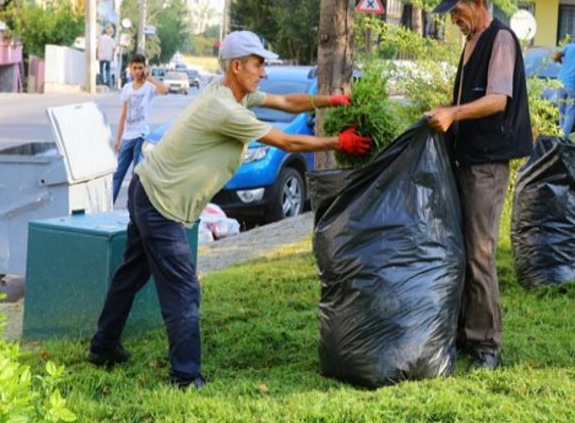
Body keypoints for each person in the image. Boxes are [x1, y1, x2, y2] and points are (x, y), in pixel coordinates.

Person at [87, 30, 371, 389]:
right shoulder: (224, 110)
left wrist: (332, 101)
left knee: (132, 273)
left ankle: (103, 347)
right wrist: (337, 141)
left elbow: (286, 103)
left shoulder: (233, 93)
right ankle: (186, 377)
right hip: (161, 203)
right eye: (257, 65)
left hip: (148, 188)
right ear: (237, 66)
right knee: (183, 290)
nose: (263, 72)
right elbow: (286, 141)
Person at [426, 0, 532, 370]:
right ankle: (466, 335)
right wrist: (444, 110)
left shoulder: (500, 39)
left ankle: (488, 344)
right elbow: (467, 96)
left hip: (488, 163)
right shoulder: (471, 41)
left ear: (477, 3)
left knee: (481, 253)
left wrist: (454, 113)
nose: (454, 20)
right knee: (463, 249)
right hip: (467, 158)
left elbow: (496, 100)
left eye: (456, 11)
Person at [111, 53, 167, 203]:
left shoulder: (149, 87)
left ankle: (133, 209)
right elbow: (123, 114)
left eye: (140, 68)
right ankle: (108, 204)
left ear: (145, 68)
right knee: (118, 174)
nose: (137, 71)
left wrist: (150, 78)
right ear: (130, 68)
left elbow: (164, 90)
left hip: (140, 136)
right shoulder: (127, 88)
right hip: (127, 137)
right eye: (134, 68)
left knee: (137, 176)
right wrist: (118, 138)